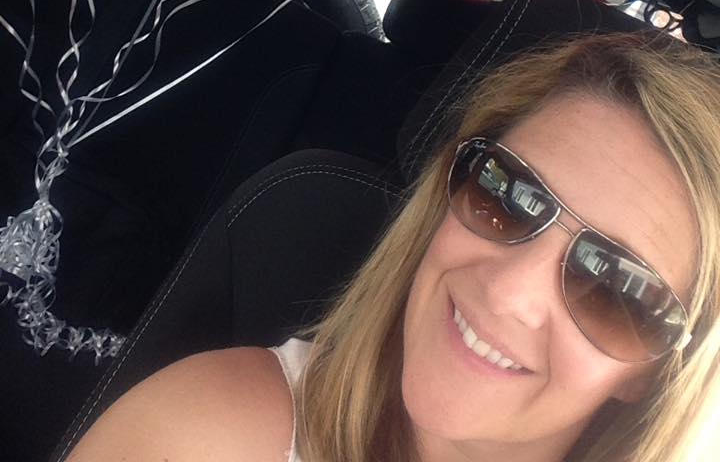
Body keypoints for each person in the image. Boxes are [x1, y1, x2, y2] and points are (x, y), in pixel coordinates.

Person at [66, 30, 720, 462]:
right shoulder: (214, 435)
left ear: (660, 374)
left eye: (618, 288)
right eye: (508, 194)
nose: (509, 293)